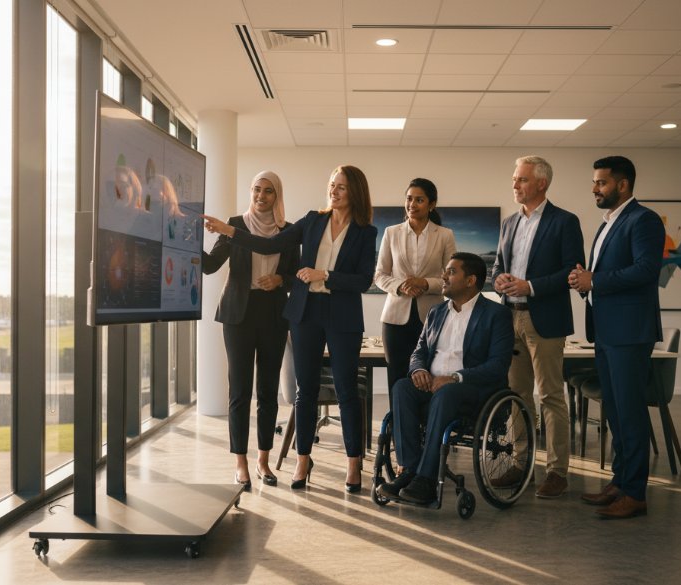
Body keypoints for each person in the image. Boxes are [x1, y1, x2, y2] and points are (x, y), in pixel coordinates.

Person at [203, 165, 377, 493]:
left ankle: (353, 464)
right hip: (305, 314)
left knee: (346, 391)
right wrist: (229, 231)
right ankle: (302, 459)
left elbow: (364, 279)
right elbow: (269, 246)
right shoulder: (313, 220)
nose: (334, 191)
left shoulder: (365, 232)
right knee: (304, 392)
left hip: (341, 316)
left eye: (341, 187)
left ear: (354, 192)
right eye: (331, 185)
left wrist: (323, 274)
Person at [568, 155, 665, 519]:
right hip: (607, 330)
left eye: (601, 182)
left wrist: (597, 280)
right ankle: (620, 481)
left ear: (622, 185)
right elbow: (606, 274)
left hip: (628, 332)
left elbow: (646, 270)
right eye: (594, 182)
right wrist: (584, 281)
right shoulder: (609, 222)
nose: (594, 188)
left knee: (630, 411)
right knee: (617, 412)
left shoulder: (644, 220)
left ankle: (635, 493)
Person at [377, 253, 514, 505]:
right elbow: (420, 351)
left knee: (446, 392)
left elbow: (497, 366)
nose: (443, 276)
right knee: (402, 387)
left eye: (451, 272)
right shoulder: (436, 312)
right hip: (432, 387)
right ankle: (409, 471)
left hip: (471, 391)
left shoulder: (496, 314)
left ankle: (426, 480)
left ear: (471, 280)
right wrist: (418, 370)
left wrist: (454, 377)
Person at [491, 155, 584, 498]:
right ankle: (522, 465)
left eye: (522, 180)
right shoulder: (509, 224)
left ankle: (557, 472)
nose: (515, 185)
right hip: (509, 316)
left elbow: (572, 271)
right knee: (516, 396)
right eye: (515, 179)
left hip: (543, 318)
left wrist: (529, 286)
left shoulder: (565, 222)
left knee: (549, 396)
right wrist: (498, 278)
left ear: (542, 183)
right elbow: (498, 264)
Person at [201, 171, 297, 490]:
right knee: (240, 390)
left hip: (273, 313)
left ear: (277, 195)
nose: (261, 196)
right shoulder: (235, 225)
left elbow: (297, 273)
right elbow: (210, 264)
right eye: (256, 189)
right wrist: (183, 241)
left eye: (268, 191)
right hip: (237, 314)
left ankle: (263, 461)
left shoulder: (288, 231)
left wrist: (280, 280)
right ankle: (240, 462)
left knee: (268, 392)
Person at [373, 178, 456, 409]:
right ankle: (397, 432)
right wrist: (400, 286)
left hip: (432, 319)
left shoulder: (445, 235)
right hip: (394, 320)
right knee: (397, 377)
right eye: (409, 199)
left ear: (431, 204)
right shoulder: (391, 233)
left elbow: (452, 278)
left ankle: (427, 430)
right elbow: (380, 275)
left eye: (419, 200)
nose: (412, 204)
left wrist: (426, 283)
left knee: (429, 375)